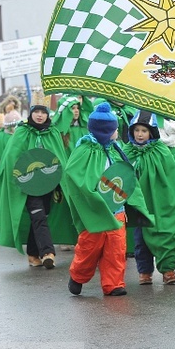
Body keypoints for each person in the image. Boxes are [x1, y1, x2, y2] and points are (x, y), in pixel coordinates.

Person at [63, 102, 154, 296]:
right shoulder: (85, 150)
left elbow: (126, 177)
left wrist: (134, 200)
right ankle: (78, 276)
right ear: (105, 131)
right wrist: (93, 196)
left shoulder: (115, 150)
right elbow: (75, 175)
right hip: (95, 211)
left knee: (116, 248)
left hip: (116, 209)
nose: (116, 133)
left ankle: (114, 284)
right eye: (113, 130)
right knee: (89, 247)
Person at [0, 100, 76, 268]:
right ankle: (48, 252)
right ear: (31, 113)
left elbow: (59, 157)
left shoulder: (52, 132)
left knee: (42, 215)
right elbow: (12, 157)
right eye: (37, 111)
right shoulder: (22, 132)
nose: (40, 115)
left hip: (48, 183)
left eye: (43, 112)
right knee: (38, 215)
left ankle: (32, 254)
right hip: (28, 184)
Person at [124, 110, 175, 285]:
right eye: (137, 130)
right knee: (140, 239)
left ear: (152, 132)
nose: (140, 134)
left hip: (161, 202)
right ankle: (144, 271)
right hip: (139, 204)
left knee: (165, 235)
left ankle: (168, 270)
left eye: (144, 131)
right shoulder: (127, 151)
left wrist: (174, 200)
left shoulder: (161, 151)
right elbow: (120, 175)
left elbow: (171, 179)